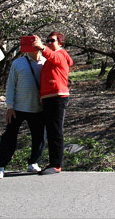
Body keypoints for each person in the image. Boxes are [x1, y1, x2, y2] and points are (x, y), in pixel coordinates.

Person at [0, 43, 46, 179]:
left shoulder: (46, 62)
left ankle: (34, 162)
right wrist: (9, 106)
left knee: (39, 136)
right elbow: (11, 85)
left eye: (36, 42)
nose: (34, 45)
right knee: (9, 137)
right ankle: (1, 166)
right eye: (31, 42)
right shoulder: (18, 63)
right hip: (18, 107)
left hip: (38, 107)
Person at [33, 31, 73, 175]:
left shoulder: (61, 54)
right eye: (47, 40)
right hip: (50, 98)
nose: (49, 43)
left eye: (52, 40)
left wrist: (42, 47)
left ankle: (56, 164)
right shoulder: (50, 58)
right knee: (51, 131)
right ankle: (53, 163)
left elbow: (53, 56)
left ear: (60, 42)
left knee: (55, 131)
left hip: (58, 97)